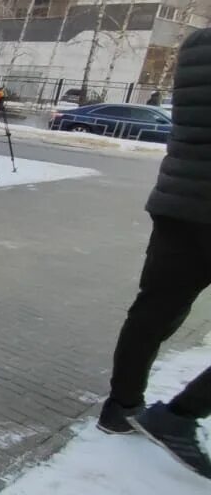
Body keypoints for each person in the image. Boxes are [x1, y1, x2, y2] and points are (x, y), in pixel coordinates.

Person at [97, 28, 211, 479]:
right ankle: (180, 414)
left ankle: (121, 406)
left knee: (152, 310)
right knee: (156, 311)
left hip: (177, 202)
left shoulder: (196, 45)